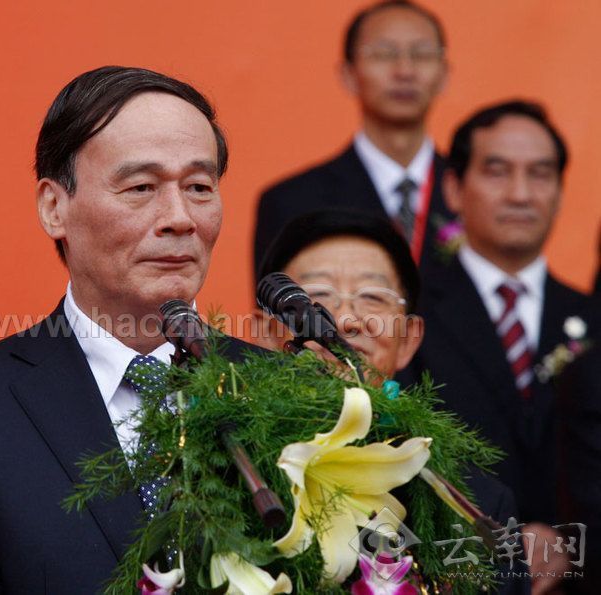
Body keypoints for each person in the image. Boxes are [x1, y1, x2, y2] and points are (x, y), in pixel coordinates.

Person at [0, 66, 261, 594]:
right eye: (141, 187)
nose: (180, 218)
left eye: (199, 187)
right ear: (54, 208)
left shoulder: (285, 392)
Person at [255, 208, 528, 594]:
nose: (345, 320)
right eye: (315, 297)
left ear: (409, 339)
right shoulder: (230, 468)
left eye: (372, 297)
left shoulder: (476, 507)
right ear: (266, 333)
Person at [399, 100, 599, 593]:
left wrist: (570, 544)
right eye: (497, 171)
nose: (520, 194)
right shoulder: (407, 317)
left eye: (540, 174)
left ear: (559, 192)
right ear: (453, 188)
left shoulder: (593, 317)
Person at [253, 0, 453, 284]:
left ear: (444, 74)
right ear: (348, 74)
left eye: (421, 54)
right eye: (384, 54)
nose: (405, 70)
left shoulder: (476, 196)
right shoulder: (293, 203)